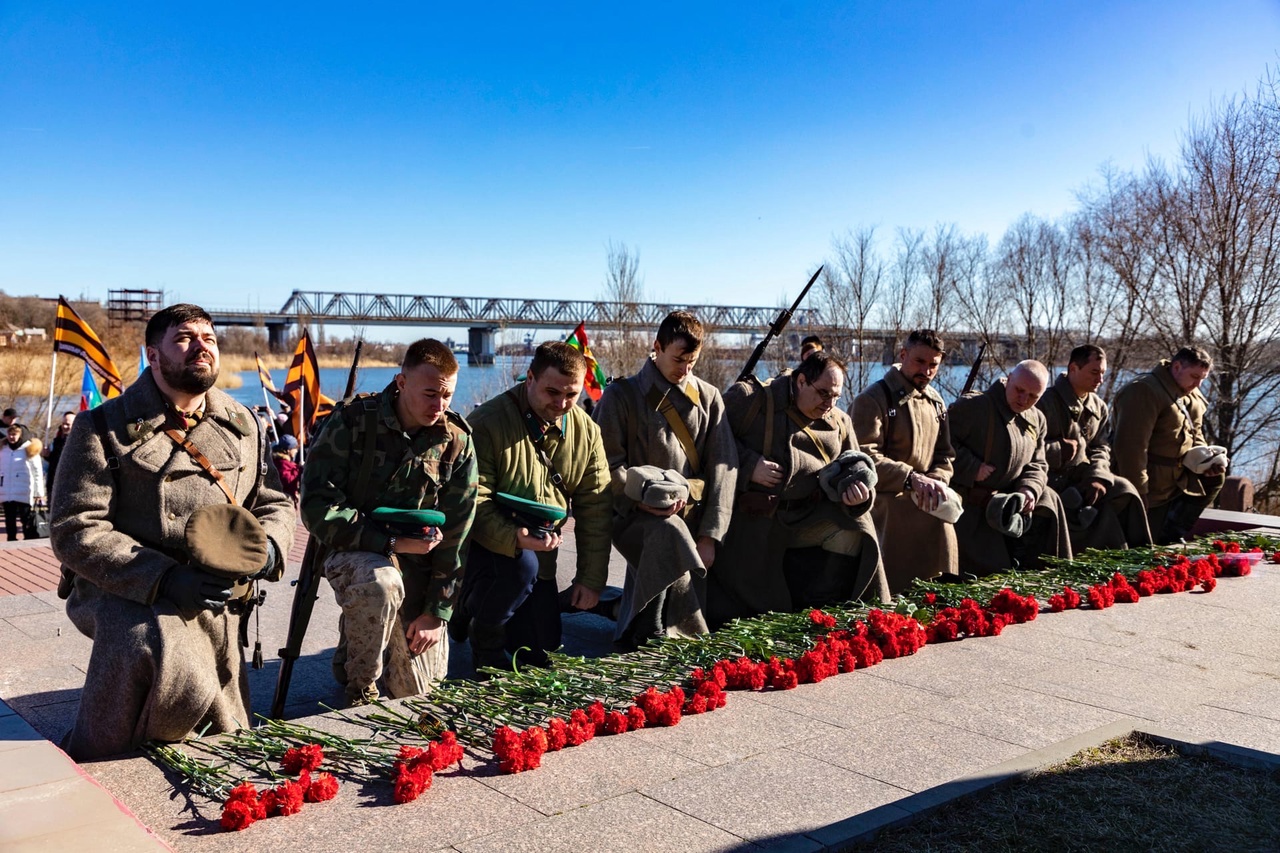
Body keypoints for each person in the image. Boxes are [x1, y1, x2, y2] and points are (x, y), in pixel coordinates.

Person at [50, 303, 296, 760]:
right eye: (184, 338)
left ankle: (206, 744)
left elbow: (273, 501)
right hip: (123, 583)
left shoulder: (245, 425)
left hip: (219, 582)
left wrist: (267, 550)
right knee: (151, 640)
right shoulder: (102, 426)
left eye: (209, 339)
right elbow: (74, 526)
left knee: (215, 695)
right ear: (154, 355)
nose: (201, 347)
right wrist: (163, 578)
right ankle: (105, 753)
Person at [301, 338, 477, 705]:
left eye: (447, 396)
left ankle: (356, 639)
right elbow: (317, 506)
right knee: (381, 583)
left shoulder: (456, 441)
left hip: (420, 567)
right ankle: (360, 690)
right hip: (355, 552)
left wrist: (436, 612)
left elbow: (457, 535)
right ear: (401, 382)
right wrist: (389, 544)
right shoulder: (352, 421)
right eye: (430, 393)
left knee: (413, 692)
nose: (439, 405)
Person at [457, 341, 612, 672]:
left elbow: (595, 509)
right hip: (488, 550)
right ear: (529, 378)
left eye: (571, 395)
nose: (561, 403)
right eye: (552, 392)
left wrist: (590, 578)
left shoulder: (587, 431)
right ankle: (478, 626)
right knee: (519, 570)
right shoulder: (487, 422)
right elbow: (473, 500)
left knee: (542, 651)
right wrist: (514, 537)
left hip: (541, 558)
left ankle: (489, 610)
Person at [593, 311, 738, 648]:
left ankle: (628, 617)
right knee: (666, 533)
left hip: (693, 515)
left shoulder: (709, 398)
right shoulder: (621, 396)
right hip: (632, 515)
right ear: (656, 347)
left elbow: (724, 468)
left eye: (693, 361)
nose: (685, 369)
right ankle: (649, 633)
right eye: (678, 359)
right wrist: (639, 497)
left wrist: (710, 535)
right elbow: (604, 464)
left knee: (676, 540)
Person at [712, 352, 887, 625]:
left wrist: (858, 495)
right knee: (743, 611)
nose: (829, 404)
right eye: (823, 393)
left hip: (807, 516)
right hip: (755, 522)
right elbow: (711, 441)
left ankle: (819, 613)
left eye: (836, 397)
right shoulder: (751, 399)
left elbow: (856, 465)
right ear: (802, 381)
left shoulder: (839, 421)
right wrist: (749, 466)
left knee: (856, 526)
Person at [850, 329, 959, 594]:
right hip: (884, 494)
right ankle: (892, 597)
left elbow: (946, 455)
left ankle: (936, 596)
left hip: (926, 491)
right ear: (903, 355)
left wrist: (937, 480)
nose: (927, 370)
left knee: (944, 518)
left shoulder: (935, 402)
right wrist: (911, 479)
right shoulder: (873, 399)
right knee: (908, 516)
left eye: (933, 364)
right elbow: (863, 456)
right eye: (920, 361)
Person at [947, 360, 1071, 573]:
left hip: (1012, 501)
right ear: (1009, 378)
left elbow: (1038, 463)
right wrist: (972, 467)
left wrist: (1030, 489)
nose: (1024, 400)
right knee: (989, 574)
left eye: (1033, 396)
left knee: (1049, 498)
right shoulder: (974, 407)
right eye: (1019, 390)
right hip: (973, 503)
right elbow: (942, 445)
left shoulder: (1037, 418)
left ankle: (1045, 567)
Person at [1037, 345, 1152, 551]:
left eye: (1102, 373)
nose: (1100, 379)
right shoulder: (1044, 403)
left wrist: (1097, 476)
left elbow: (1101, 447)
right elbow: (1027, 448)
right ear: (1073, 369)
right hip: (1050, 479)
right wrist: (1057, 450)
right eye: (1094, 372)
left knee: (1125, 490)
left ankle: (1138, 552)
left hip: (1084, 478)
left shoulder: (1098, 406)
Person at [1111, 346, 1224, 544]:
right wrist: (1138, 491)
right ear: (1177, 366)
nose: (1197, 384)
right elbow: (1131, 448)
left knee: (1215, 478)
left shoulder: (1191, 394)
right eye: (1194, 376)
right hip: (1151, 485)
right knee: (1140, 547)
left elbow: (1195, 433)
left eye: (1202, 379)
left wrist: (1207, 461)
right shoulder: (1144, 390)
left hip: (1176, 482)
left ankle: (1171, 535)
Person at [0, 424, 44, 540]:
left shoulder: (29, 449)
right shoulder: (3, 449)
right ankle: (11, 539)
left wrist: (38, 493)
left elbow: (37, 472)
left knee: (26, 518)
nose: (11, 437)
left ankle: (28, 538)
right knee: (9, 519)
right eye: (9, 434)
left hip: (25, 490)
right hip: (7, 490)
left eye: (14, 434)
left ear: (21, 435)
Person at [43, 411, 75, 500]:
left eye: (68, 424)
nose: (64, 427)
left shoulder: (80, 442)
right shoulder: (55, 442)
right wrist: (47, 456)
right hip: (54, 486)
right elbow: (52, 463)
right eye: (63, 424)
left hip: (71, 488)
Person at [272, 434, 301, 507]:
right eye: (295, 448)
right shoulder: (281, 464)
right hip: (284, 500)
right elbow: (287, 481)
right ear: (288, 450)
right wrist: (299, 470)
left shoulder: (281, 462)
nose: (296, 450)